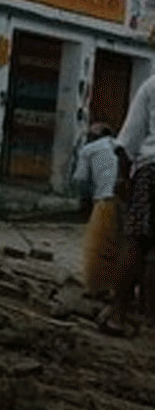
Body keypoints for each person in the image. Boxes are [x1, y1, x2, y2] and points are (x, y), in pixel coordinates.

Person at [104, 75, 155, 335]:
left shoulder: (152, 85)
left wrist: (122, 178)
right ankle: (149, 319)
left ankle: (117, 315)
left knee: (136, 241)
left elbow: (127, 141)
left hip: (151, 171)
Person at [72, 123, 120, 298]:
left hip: (105, 199)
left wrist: (84, 206)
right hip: (126, 199)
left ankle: (97, 288)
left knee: (97, 247)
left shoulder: (88, 149)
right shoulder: (121, 146)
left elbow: (81, 180)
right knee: (120, 246)